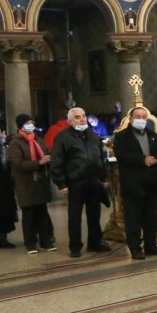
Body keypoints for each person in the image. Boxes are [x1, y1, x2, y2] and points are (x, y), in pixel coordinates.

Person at [50, 107, 111, 258]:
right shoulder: (63, 137)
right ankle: (75, 246)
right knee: (75, 216)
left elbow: (99, 158)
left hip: (94, 181)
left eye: (84, 116)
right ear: (70, 121)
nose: (82, 119)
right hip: (76, 182)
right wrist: (61, 184)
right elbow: (57, 162)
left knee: (94, 215)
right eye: (78, 117)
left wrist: (103, 178)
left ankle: (95, 242)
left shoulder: (92, 134)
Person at [113, 106, 157, 260]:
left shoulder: (152, 134)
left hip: (151, 182)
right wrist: (142, 160)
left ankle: (151, 246)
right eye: (138, 116)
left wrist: (156, 159)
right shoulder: (122, 137)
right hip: (132, 183)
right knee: (133, 218)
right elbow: (122, 155)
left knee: (151, 216)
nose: (141, 119)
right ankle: (135, 248)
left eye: (144, 117)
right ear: (131, 119)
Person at [7, 114, 56, 254]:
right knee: (29, 215)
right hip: (26, 184)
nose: (31, 124)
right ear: (21, 125)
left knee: (42, 213)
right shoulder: (16, 143)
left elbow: (47, 153)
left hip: (40, 182)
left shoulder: (38, 140)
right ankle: (30, 243)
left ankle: (45, 241)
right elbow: (18, 164)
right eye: (27, 122)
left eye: (31, 122)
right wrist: (38, 163)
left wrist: (49, 158)